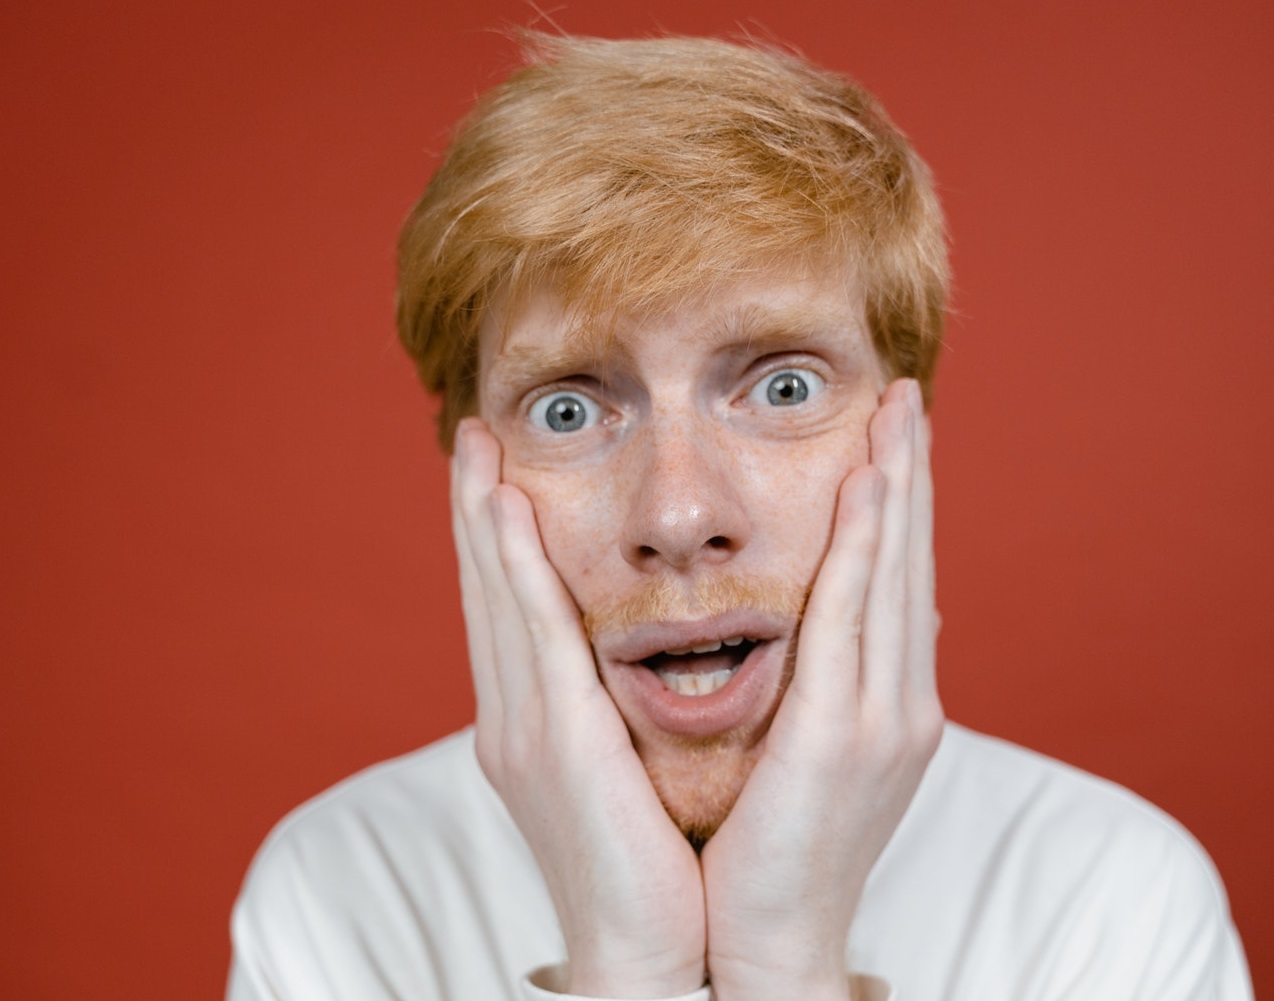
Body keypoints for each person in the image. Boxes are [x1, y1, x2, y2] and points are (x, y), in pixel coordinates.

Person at [227, 33, 1251, 1000]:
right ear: (470, 473)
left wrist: (783, 958)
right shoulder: (339, 896)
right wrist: (628, 964)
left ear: (904, 442)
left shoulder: (1115, 900)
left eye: (782, 387)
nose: (678, 513)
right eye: (567, 408)